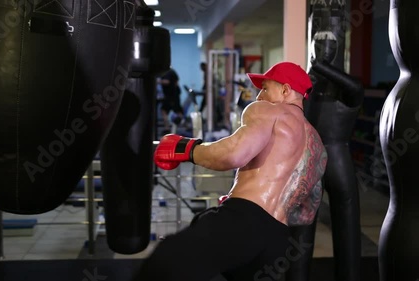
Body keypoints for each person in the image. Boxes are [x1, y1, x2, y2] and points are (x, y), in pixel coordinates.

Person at [133, 62, 328, 281]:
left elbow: (233, 154)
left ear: (285, 90)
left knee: (164, 262)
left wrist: (188, 149)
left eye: (265, 88)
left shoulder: (269, 110)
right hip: (277, 241)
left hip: (244, 220)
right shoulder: (317, 145)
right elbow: (307, 212)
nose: (258, 96)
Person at [159, 68, 184, 133]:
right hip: (174, 95)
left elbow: (167, 82)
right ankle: (181, 124)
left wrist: (158, 81)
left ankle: (167, 128)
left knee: (164, 110)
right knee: (177, 110)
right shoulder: (172, 71)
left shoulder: (167, 72)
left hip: (170, 95)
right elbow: (176, 82)